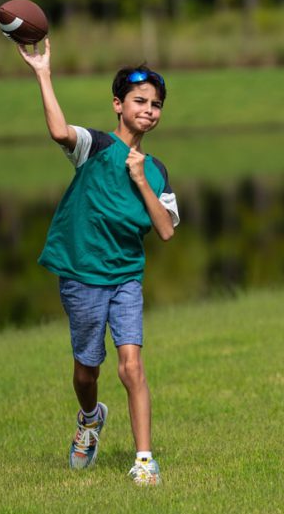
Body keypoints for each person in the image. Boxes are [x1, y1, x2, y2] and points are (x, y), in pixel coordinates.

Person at [18, 37, 179, 486]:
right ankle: (90, 418)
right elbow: (59, 131)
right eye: (140, 101)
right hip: (83, 276)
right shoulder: (95, 147)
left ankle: (144, 461)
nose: (149, 110)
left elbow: (165, 230)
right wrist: (43, 72)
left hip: (126, 276)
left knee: (132, 365)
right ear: (118, 104)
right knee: (87, 369)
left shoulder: (157, 170)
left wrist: (140, 177)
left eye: (157, 104)